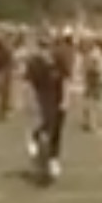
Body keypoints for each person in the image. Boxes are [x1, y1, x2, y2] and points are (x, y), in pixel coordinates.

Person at [25, 39, 71, 179]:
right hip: (43, 99)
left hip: (58, 99)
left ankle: (53, 158)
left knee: (57, 130)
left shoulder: (59, 62)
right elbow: (29, 84)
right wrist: (30, 102)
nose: (45, 51)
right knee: (47, 125)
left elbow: (65, 81)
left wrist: (66, 99)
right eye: (42, 47)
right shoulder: (35, 64)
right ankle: (36, 137)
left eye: (47, 47)